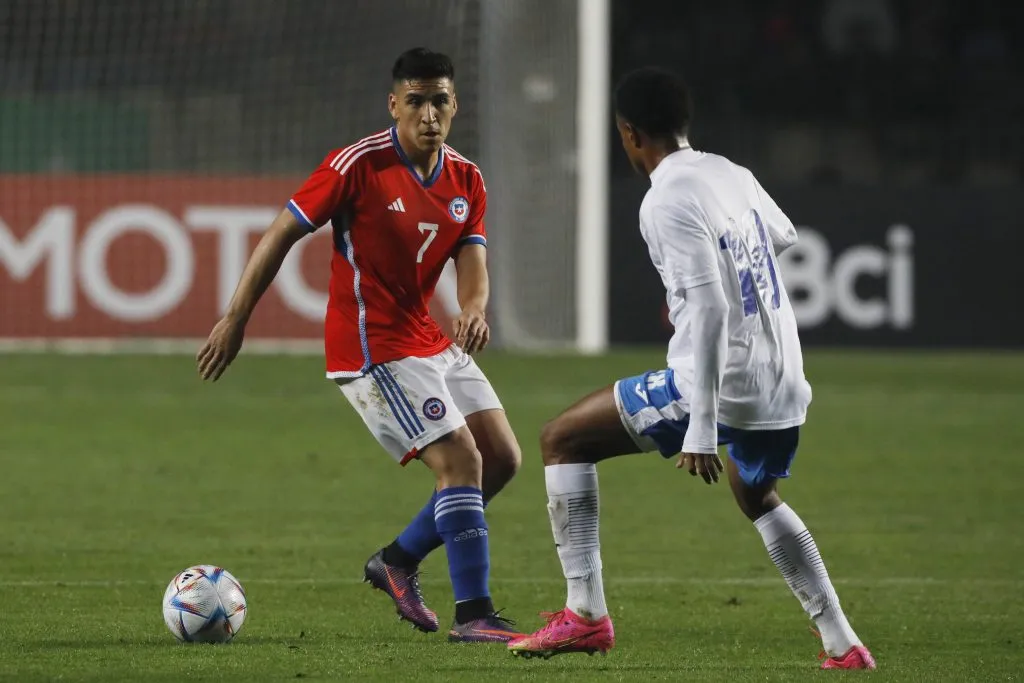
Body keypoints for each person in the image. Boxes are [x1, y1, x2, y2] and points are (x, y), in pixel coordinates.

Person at [508, 67, 874, 669]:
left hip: (721, 384)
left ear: (629, 134)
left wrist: (701, 429)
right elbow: (781, 236)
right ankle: (843, 643)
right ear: (684, 124)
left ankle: (585, 617)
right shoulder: (730, 172)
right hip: (782, 380)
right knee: (756, 494)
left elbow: (706, 309)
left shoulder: (666, 199)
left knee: (562, 440)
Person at [196, 47, 521, 644]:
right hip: (372, 347)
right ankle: (473, 615)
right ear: (394, 104)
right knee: (462, 462)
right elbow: (281, 232)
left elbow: (472, 259)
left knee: (502, 458)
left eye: (440, 100)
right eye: (416, 101)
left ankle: (397, 560)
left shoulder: (466, 178)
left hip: (425, 335)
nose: (429, 113)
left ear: (455, 105)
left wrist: (473, 309)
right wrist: (235, 318)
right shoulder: (357, 165)